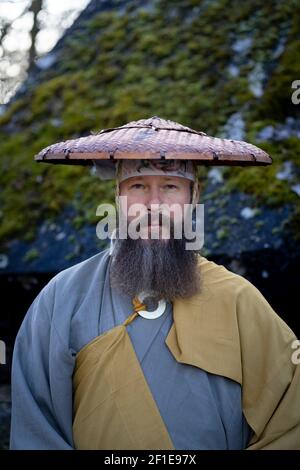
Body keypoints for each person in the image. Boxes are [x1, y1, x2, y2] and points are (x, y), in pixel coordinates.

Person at [10, 119, 300, 450]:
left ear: (193, 198)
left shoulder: (238, 299)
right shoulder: (63, 298)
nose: (154, 204)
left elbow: (291, 416)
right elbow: (37, 429)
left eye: (171, 187)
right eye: (137, 187)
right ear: (117, 196)